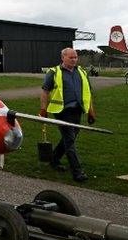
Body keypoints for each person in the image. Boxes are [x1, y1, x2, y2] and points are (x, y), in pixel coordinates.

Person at [40, 48, 96, 182]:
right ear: (63, 58)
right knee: (70, 141)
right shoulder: (54, 72)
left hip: (77, 110)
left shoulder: (82, 72)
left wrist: (91, 111)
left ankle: (54, 159)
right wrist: (43, 109)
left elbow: (88, 93)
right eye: (71, 57)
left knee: (70, 137)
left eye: (75, 57)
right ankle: (77, 172)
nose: (74, 60)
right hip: (61, 111)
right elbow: (45, 91)